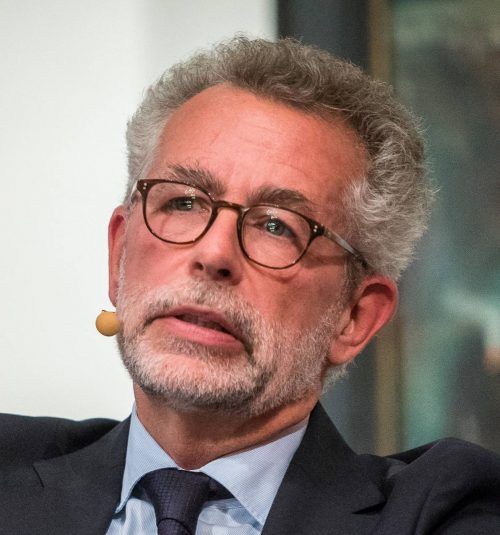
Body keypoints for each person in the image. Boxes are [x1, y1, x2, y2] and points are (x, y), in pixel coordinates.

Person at [1, 36, 499, 535]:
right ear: (119, 257)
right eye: (184, 202)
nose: (214, 254)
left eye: (277, 226)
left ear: (354, 317)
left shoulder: (441, 512)